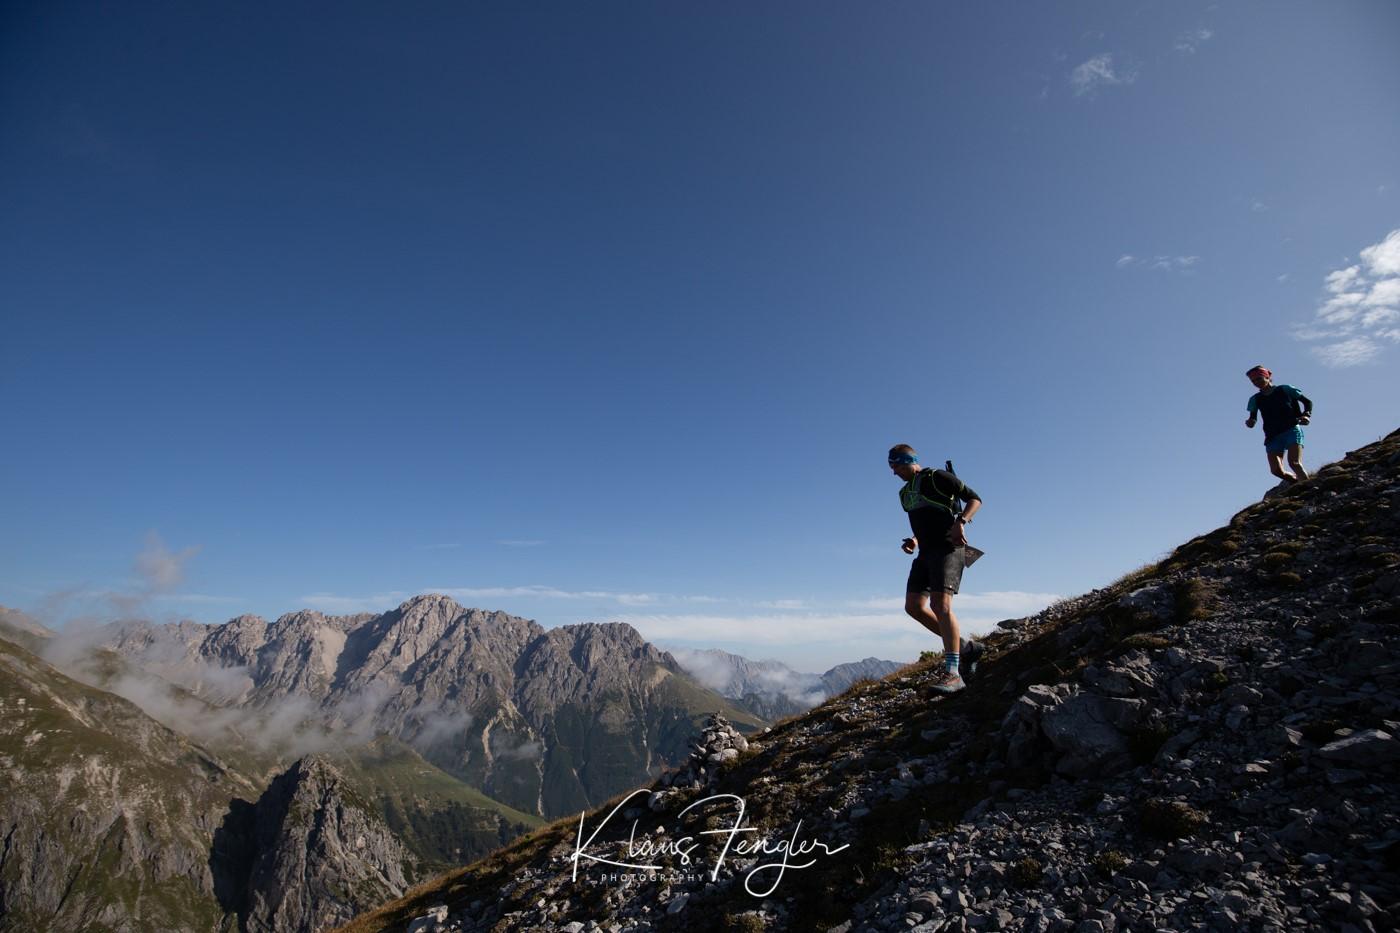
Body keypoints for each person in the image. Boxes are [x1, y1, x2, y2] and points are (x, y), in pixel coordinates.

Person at [889, 444, 983, 694]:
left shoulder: (937, 476)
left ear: (909, 460)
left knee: (940, 606)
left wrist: (961, 522)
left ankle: (953, 673)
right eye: (891, 467)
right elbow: (925, 522)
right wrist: (914, 540)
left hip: (948, 548)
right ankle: (967, 648)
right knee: (913, 607)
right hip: (925, 552)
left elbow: (975, 499)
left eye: (896, 465)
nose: (894, 472)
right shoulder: (904, 493)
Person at [1244, 365, 1313, 485]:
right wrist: (1250, 422)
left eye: (1259, 379)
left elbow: (1307, 402)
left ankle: (1309, 488)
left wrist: (1306, 415)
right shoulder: (1255, 399)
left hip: (1291, 429)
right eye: (1253, 381)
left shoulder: (1285, 389)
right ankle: (1297, 482)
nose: (1256, 383)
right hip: (1272, 436)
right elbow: (1252, 418)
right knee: (1276, 470)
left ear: (1267, 377)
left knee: (1294, 463)